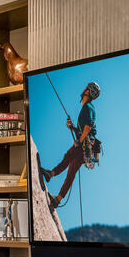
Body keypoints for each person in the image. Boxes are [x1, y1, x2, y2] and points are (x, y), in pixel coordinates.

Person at [40, 81, 101, 209]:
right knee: (71, 169)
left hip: (84, 144)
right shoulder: (87, 107)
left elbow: (88, 127)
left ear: (88, 92)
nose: (83, 89)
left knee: (68, 158)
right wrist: (72, 127)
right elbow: (84, 128)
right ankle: (57, 198)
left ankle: (50, 175)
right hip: (86, 146)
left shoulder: (88, 107)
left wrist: (79, 141)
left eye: (86, 88)